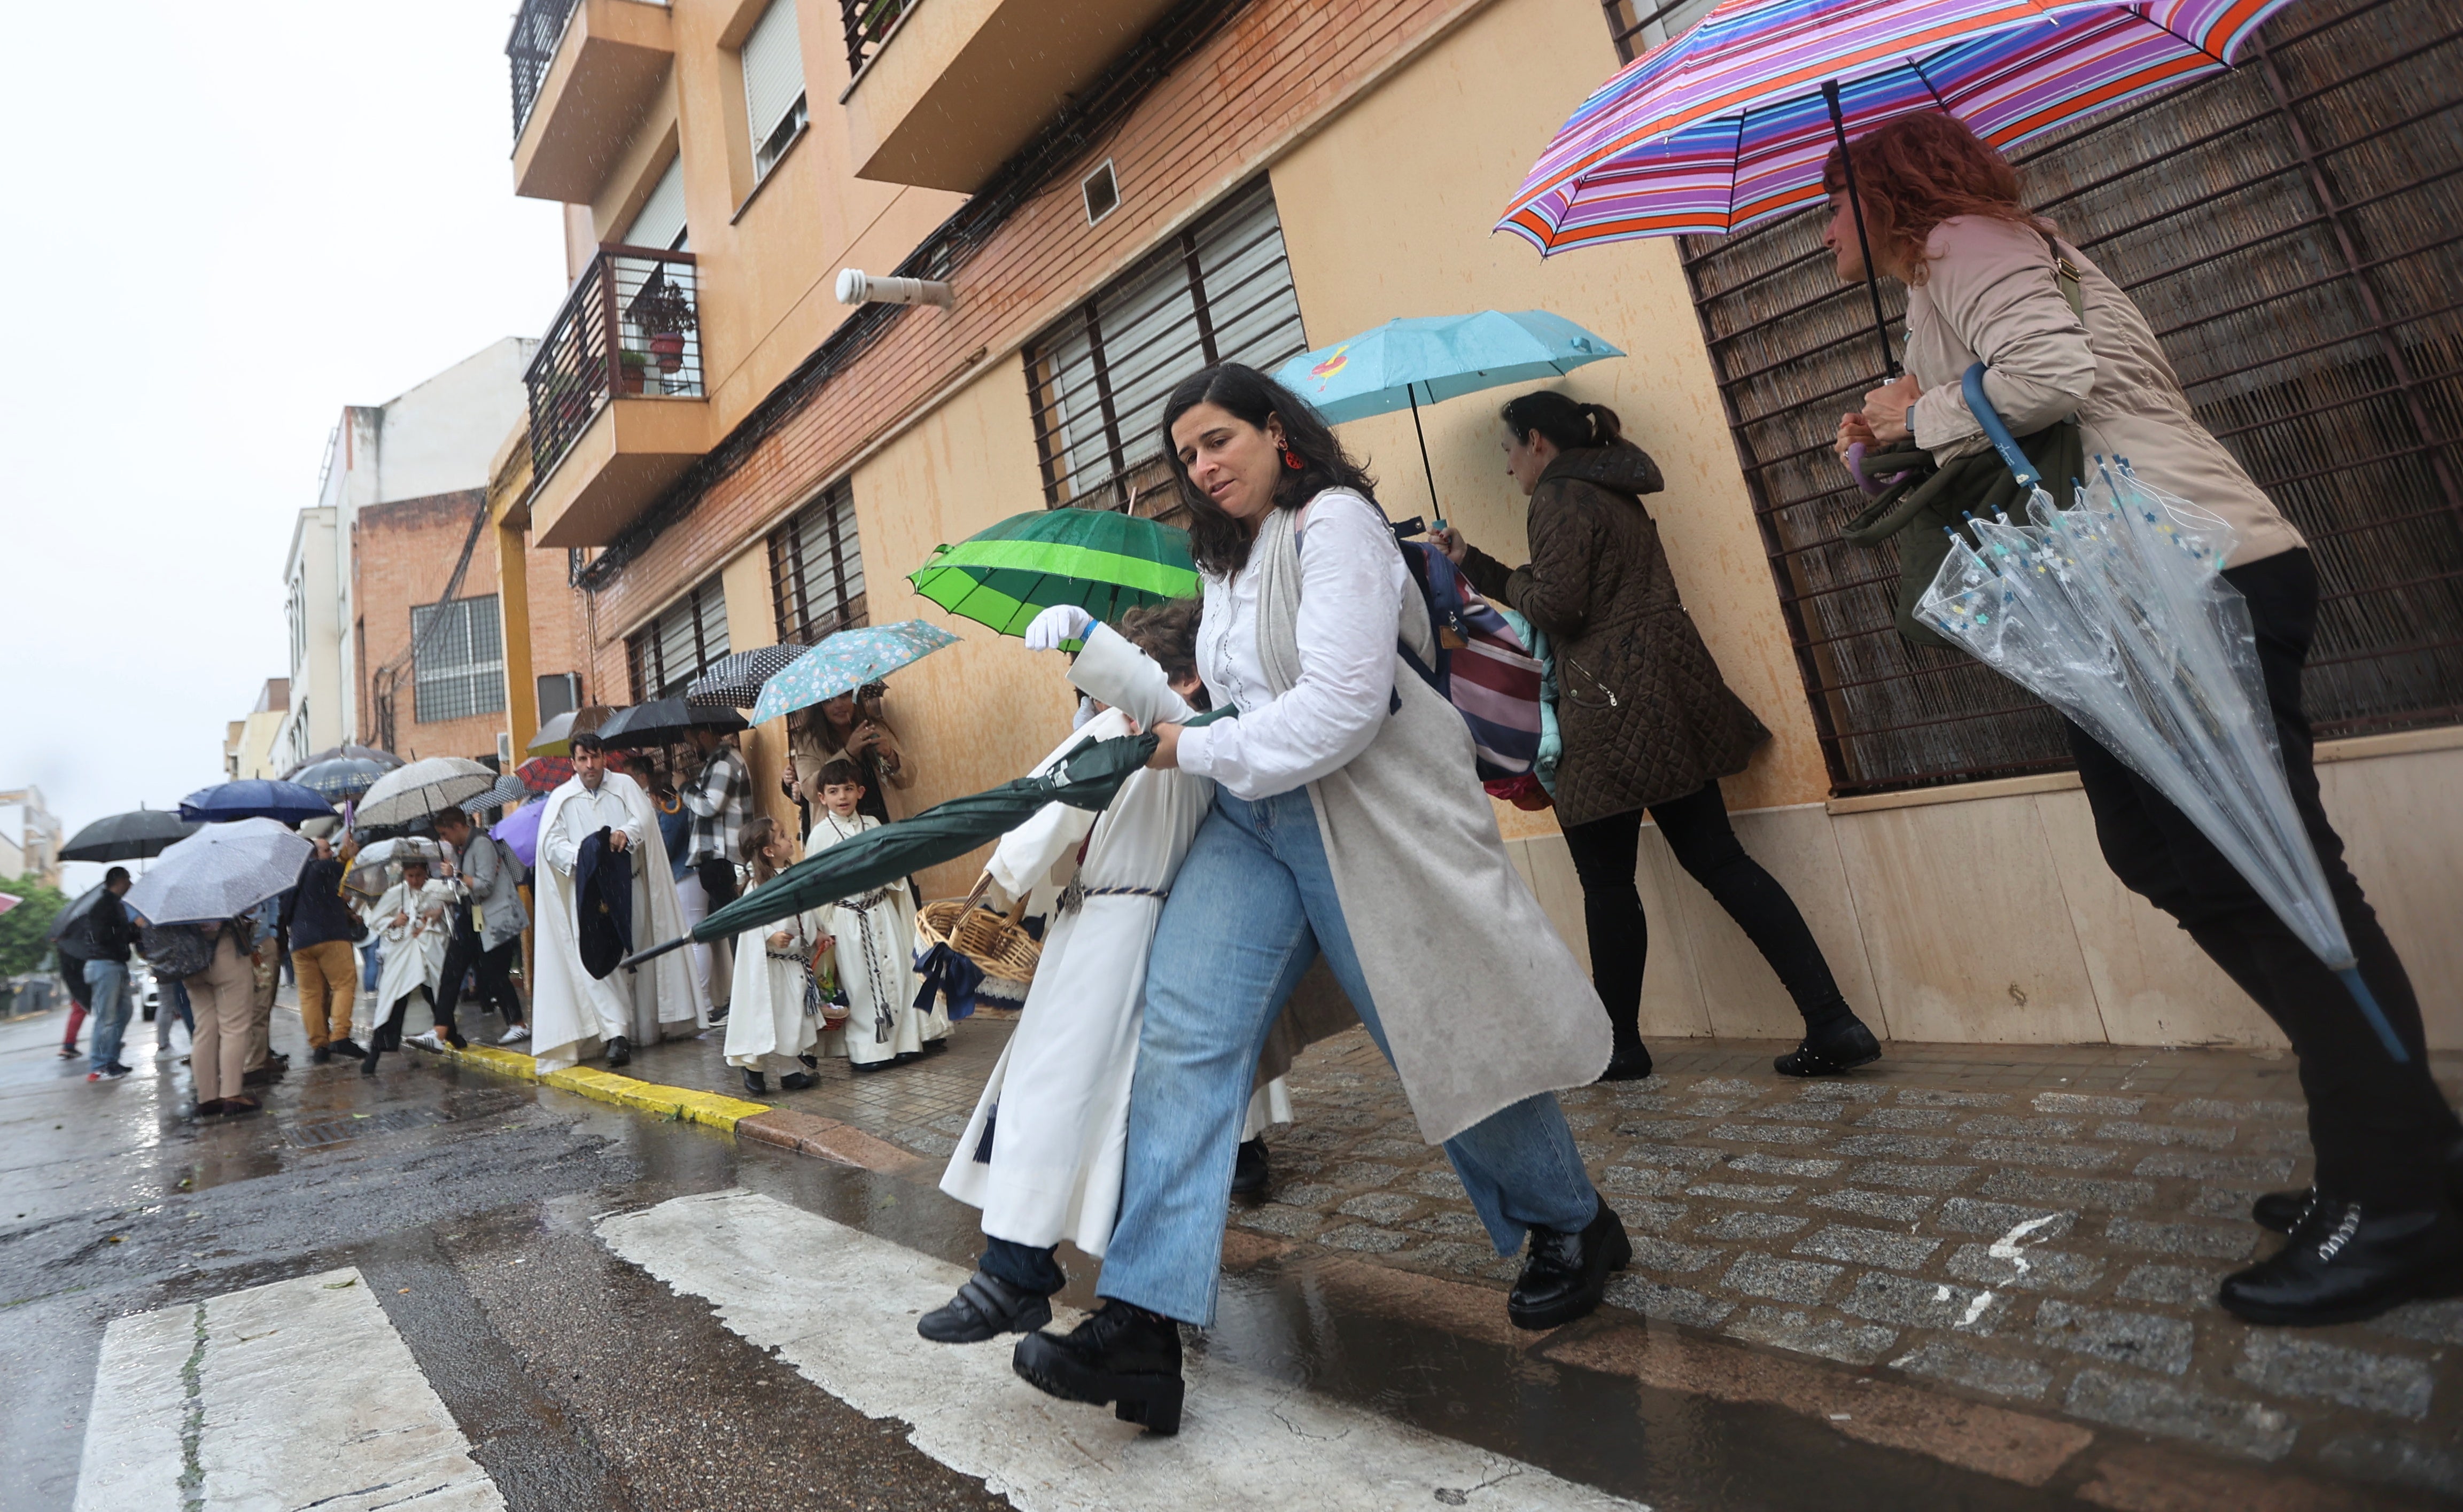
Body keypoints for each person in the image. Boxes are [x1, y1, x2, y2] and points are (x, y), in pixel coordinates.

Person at [1825, 111, 2461, 1327]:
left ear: (1879, 185)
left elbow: (2047, 380)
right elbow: (2009, 409)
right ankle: (2409, 1141)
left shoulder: (1962, 241)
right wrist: (1892, 429)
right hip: (2134, 591)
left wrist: (1921, 415)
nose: (1822, 232)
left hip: (2187, 575)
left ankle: (2394, 1203)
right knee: (2166, 858)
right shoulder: (1952, 270)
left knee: (2270, 876)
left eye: (1829, 201)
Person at [1013, 365, 1623, 1436]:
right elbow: (1233, 697)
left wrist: (1188, 747)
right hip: (1253, 821)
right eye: (1186, 456)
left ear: (1276, 431)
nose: (1203, 466)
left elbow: (1342, 707)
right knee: (1183, 1038)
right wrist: (1142, 692)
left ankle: (1572, 1221)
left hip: (1367, 816)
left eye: (1217, 439)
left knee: (1437, 1024)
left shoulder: (1335, 524)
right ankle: (1141, 1323)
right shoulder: (1226, 557)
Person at [1435, 392, 1879, 1081]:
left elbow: (1559, 607)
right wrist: (1474, 561)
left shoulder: (1558, 498)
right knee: (1719, 861)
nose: (1508, 466)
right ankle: (1832, 1019)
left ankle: (1621, 1046)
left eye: (1509, 450)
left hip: (1606, 705)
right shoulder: (1609, 486)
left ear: (1536, 441)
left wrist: (1499, 578)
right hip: (1665, 694)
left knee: (1607, 881)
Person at [926, 599, 1221, 1343]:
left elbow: (1042, 810)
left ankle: (1018, 1275)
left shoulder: (1175, 732)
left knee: (1057, 1098)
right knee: (1061, 1100)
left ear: (1183, 680)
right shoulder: (1144, 732)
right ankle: (1034, 1274)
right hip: (1091, 929)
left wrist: (1091, 636)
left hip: (1115, 940)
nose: (1102, 701)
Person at [532, 732, 706, 1072]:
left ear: (603, 757)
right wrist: (585, 855)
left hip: (630, 887)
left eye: (595, 757)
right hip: (589, 895)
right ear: (573, 763)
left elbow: (645, 821)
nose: (590, 765)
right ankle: (616, 1034)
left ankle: (639, 1025)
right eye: (583, 759)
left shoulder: (625, 786)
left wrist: (625, 834)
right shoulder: (562, 799)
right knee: (600, 960)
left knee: (633, 955)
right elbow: (551, 844)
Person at [807, 759, 941, 1070]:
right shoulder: (820, 836)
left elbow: (893, 867)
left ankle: (906, 1042)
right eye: (834, 791)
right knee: (860, 984)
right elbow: (816, 885)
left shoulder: (874, 824)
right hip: (848, 919)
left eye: (849, 789)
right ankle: (869, 1050)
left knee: (898, 973)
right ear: (822, 797)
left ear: (861, 792)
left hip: (881, 910)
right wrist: (826, 928)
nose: (842, 797)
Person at [720, 815, 826, 1094]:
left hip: (793, 964)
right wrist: (770, 935)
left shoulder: (794, 876)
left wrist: (817, 933)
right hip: (769, 967)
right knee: (766, 1017)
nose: (789, 839)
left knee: (792, 1017)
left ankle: (790, 1071)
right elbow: (749, 919)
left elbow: (806, 910)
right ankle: (753, 1067)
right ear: (768, 851)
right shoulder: (757, 886)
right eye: (782, 836)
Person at [430, 807, 532, 1047]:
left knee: (495, 973)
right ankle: (440, 1031)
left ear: (457, 827)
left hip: (497, 920)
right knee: (463, 971)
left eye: (445, 833)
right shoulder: (464, 848)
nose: (444, 839)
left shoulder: (482, 844)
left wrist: (456, 874)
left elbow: (484, 885)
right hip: (477, 919)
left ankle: (518, 1025)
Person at [679, 727, 751, 1022]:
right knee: (733, 930)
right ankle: (742, 998)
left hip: (725, 858)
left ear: (704, 735)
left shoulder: (724, 760)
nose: (690, 748)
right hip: (718, 858)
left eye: (691, 740)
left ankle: (745, 1001)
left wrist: (684, 788)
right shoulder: (716, 761)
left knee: (737, 930)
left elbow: (710, 805)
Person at [359, 855, 457, 1074]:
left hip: (428, 948)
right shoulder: (396, 893)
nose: (415, 880)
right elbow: (376, 920)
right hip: (403, 953)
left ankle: (451, 1033)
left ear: (426, 873)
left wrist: (438, 911)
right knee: (393, 998)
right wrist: (394, 921)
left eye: (419, 876)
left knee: (437, 992)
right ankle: (376, 1051)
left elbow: (456, 895)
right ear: (404, 874)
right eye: (411, 876)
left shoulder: (435, 888)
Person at [789, 683, 913, 830]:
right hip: (841, 834)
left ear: (855, 697)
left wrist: (890, 755)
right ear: (819, 706)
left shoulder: (875, 728)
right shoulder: (809, 741)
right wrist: (847, 753)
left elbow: (909, 780)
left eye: (845, 696)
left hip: (885, 825)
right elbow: (810, 791)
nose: (838, 705)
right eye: (829, 700)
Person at [286, 838, 366, 1065]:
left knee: (310, 995)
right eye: (326, 850)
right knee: (343, 984)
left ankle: (319, 1045)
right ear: (312, 853)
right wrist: (348, 853)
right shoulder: (321, 868)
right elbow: (348, 873)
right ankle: (340, 1036)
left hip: (300, 942)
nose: (330, 853)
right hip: (330, 936)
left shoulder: (291, 877)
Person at [183, 915, 262, 1117]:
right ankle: (231, 1095)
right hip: (224, 951)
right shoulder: (219, 895)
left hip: (190, 957)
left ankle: (207, 1098)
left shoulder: (177, 899)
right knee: (234, 1027)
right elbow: (252, 911)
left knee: (204, 1028)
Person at [82, 867, 138, 1082]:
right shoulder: (104, 905)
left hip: (115, 964)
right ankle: (99, 1066)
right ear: (120, 880)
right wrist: (128, 929)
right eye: (128, 879)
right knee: (107, 1017)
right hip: (104, 965)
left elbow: (122, 935)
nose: (131, 884)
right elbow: (104, 935)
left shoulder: (116, 905)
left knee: (124, 1013)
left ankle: (111, 1059)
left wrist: (133, 929)